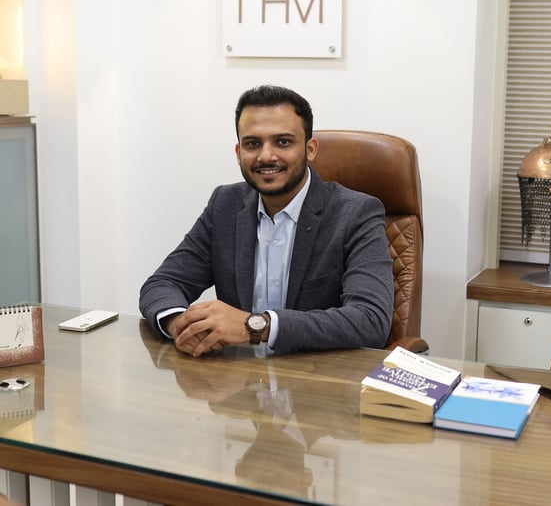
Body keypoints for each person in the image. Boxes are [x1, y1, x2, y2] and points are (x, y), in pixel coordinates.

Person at [139, 85, 394, 357]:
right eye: (253, 144)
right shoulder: (225, 204)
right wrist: (181, 324)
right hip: (238, 377)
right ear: (238, 152)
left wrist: (256, 326)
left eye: (283, 142)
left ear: (310, 149)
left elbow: (370, 319)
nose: (266, 156)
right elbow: (163, 283)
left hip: (317, 377)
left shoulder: (356, 213)